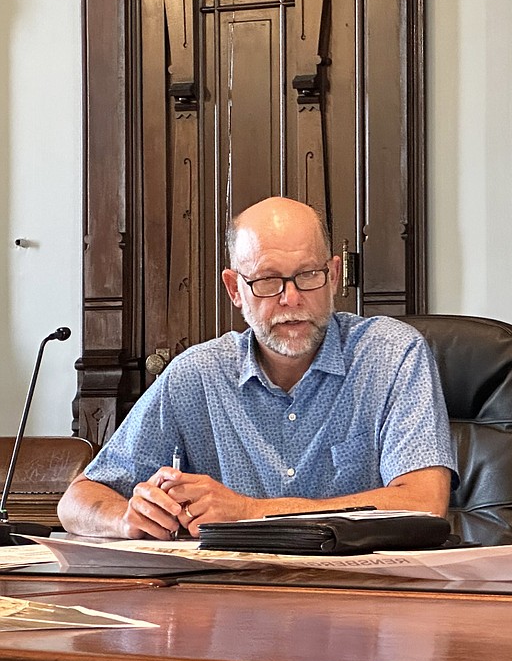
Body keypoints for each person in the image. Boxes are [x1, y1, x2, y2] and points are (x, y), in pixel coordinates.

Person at [58, 197, 456, 540]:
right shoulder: (198, 374)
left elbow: (423, 502)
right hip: (234, 603)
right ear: (235, 289)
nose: (291, 298)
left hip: (367, 602)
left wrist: (249, 512)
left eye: (309, 276)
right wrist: (126, 518)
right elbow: (78, 500)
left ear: (334, 276)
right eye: (267, 281)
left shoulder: (391, 355)